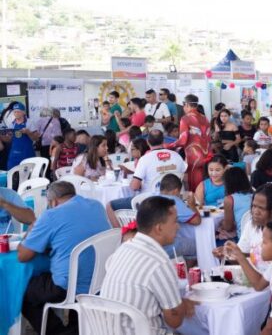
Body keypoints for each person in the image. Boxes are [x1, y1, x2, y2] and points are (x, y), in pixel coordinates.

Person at [18, 181, 111, 335]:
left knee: (21, 289)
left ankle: (59, 332)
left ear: (53, 201)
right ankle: (76, 329)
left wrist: (31, 231)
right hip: (100, 280)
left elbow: (23, 255)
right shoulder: (96, 206)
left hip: (68, 286)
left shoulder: (51, 215)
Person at [101, 196, 197, 334]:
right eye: (175, 221)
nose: (178, 226)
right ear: (159, 228)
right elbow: (175, 321)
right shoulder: (158, 262)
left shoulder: (125, 247)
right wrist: (183, 305)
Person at [108, 130, 187, 223]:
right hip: (174, 199)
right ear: (163, 141)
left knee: (109, 206)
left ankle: (123, 235)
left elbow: (134, 187)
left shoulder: (145, 159)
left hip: (150, 201)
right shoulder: (176, 156)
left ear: (148, 142)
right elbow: (184, 178)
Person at [165, 94, 211, 192]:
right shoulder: (205, 118)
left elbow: (183, 140)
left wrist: (168, 146)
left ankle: (195, 205)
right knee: (204, 183)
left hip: (193, 155)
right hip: (207, 154)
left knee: (194, 186)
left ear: (186, 104)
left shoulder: (185, 119)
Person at [158, 173, 201, 258]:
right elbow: (197, 221)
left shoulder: (152, 196)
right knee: (199, 245)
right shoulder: (173, 201)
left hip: (153, 243)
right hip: (167, 246)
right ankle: (187, 270)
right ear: (176, 191)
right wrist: (192, 205)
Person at [220, 167, 254, 238]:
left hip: (243, 238)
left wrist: (221, 223)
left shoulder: (229, 199)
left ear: (228, 184)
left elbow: (228, 227)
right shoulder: (255, 195)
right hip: (257, 235)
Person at [5, 102, 39, 171]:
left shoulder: (30, 122)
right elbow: (9, 140)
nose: (16, 114)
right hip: (14, 154)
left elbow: (36, 138)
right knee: (12, 174)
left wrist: (28, 132)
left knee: (28, 175)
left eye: (18, 112)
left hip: (27, 153)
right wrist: (8, 136)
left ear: (23, 112)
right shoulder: (11, 124)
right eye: (15, 112)